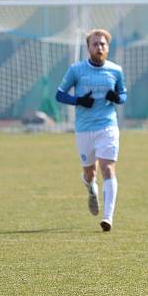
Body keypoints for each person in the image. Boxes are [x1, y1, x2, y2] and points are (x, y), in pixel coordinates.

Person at [55, 29, 127, 232]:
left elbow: (123, 95)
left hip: (108, 127)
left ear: (108, 47)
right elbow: (59, 95)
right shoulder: (76, 70)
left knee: (108, 168)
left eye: (103, 44)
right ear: (88, 47)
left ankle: (107, 217)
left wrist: (117, 98)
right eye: (95, 44)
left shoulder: (115, 70)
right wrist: (78, 100)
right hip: (84, 129)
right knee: (89, 172)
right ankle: (89, 186)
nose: (99, 47)